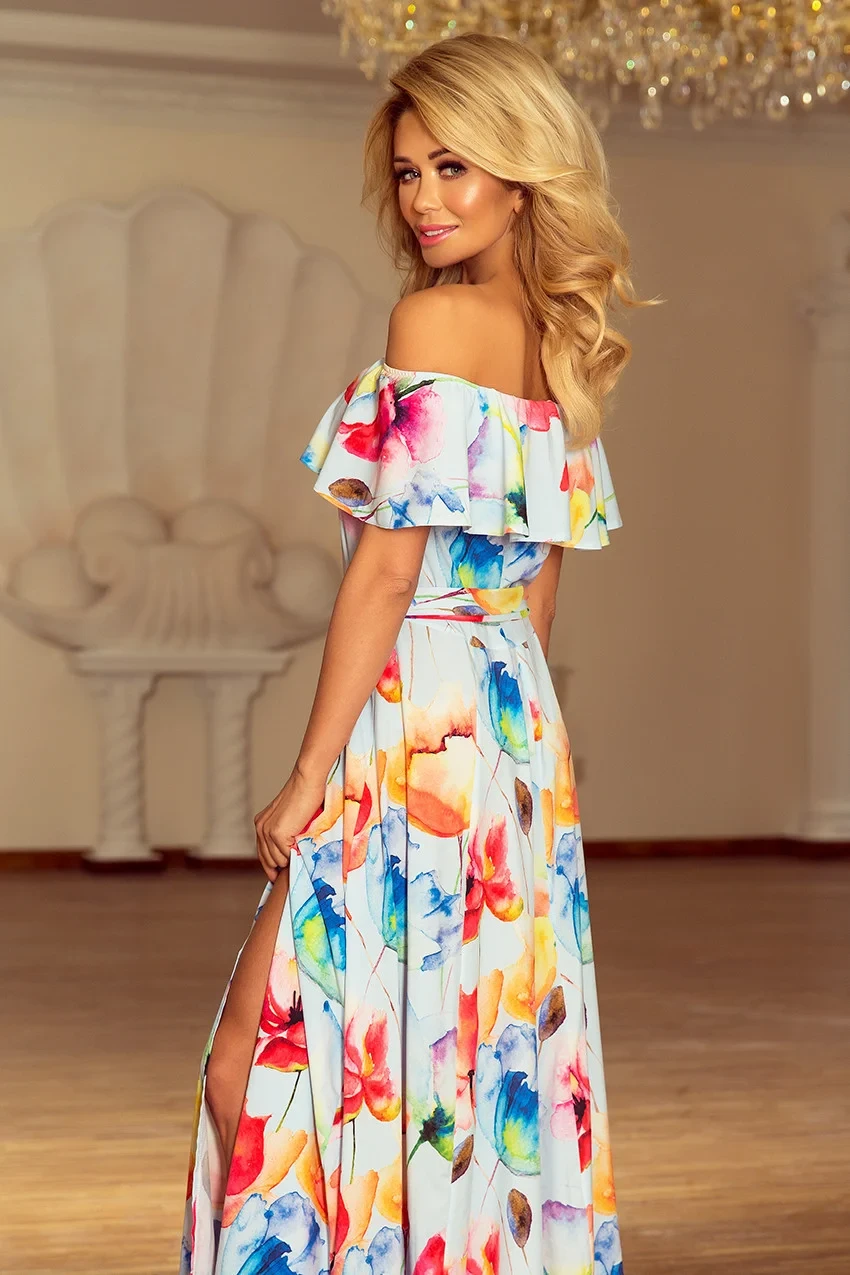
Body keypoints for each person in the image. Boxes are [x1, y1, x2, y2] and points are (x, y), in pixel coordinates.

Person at [180, 29, 652, 1275]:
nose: (426, 199)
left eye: (455, 167)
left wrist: (309, 773)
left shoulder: (433, 322)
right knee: (466, 1057)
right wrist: (509, 756)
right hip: (504, 725)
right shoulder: (557, 344)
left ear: (520, 178)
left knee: (259, 1057)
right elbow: (538, 589)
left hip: (410, 719)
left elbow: (388, 571)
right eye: (407, 172)